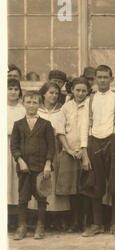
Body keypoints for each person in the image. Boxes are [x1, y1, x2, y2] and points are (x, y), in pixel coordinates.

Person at [80, 65, 115, 238]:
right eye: (99, 77)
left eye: (105, 77)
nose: (102, 80)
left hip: (114, 142)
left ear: (111, 78)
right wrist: (84, 152)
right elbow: (84, 126)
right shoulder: (89, 100)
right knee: (95, 184)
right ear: (95, 79)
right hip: (94, 143)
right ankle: (97, 224)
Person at [10, 91, 55, 240]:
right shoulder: (18, 124)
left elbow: (51, 146)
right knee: (23, 198)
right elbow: (14, 146)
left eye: (35, 102)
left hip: (41, 168)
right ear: (23, 103)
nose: (31, 105)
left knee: (41, 197)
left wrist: (48, 164)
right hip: (24, 168)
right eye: (28, 102)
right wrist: (20, 161)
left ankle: (40, 226)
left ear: (39, 104)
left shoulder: (46, 124)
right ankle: (21, 226)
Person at [56, 77, 92, 232]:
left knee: (86, 187)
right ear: (72, 90)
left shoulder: (91, 105)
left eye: (84, 90)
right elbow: (60, 131)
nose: (80, 93)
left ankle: (86, 222)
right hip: (69, 152)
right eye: (78, 90)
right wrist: (69, 149)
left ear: (88, 92)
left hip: (87, 152)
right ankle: (75, 221)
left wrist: (84, 151)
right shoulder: (66, 107)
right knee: (73, 189)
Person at [37, 81, 71, 218]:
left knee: (55, 179)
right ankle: (40, 215)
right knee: (41, 179)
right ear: (43, 94)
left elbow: (62, 131)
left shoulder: (61, 111)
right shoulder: (37, 110)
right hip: (39, 149)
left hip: (56, 148)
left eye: (57, 93)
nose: (54, 96)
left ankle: (57, 215)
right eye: (51, 93)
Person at [7, 78, 26, 208]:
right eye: (10, 89)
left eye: (16, 89)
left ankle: (15, 212)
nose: (13, 92)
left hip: (18, 146)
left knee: (16, 177)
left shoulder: (22, 109)